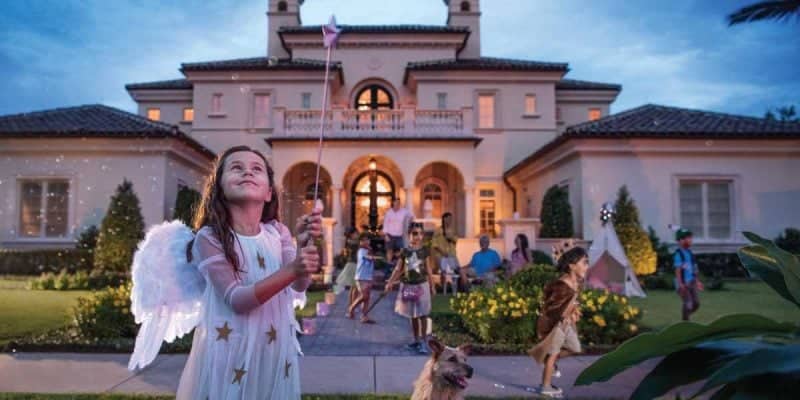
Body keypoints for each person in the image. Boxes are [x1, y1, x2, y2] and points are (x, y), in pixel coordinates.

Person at [177, 146, 321, 399]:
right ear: (219, 187)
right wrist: (292, 269)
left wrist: (304, 246)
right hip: (230, 352)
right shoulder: (210, 238)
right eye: (236, 167)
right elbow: (237, 300)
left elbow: (299, 285)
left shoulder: (278, 233)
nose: (247, 172)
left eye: (257, 169)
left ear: (268, 192)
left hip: (274, 353)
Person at [527, 246, 587, 398]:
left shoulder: (576, 282)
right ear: (572, 266)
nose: (587, 266)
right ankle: (546, 386)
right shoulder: (562, 285)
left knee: (575, 348)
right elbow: (551, 308)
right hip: (556, 326)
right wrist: (561, 317)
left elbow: (571, 302)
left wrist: (574, 310)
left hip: (566, 324)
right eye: (584, 262)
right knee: (553, 354)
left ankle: (549, 362)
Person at [385, 222, 434, 354]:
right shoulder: (405, 252)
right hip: (408, 285)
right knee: (412, 315)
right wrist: (390, 282)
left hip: (422, 285)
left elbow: (429, 270)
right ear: (409, 235)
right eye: (414, 233)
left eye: (420, 234)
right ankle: (416, 340)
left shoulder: (424, 251)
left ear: (423, 236)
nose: (417, 236)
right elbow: (397, 269)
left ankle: (424, 341)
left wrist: (432, 285)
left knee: (423, 314)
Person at [347, 233, 378, 324]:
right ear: (360, 242)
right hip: (361, 276)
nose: (366, 242)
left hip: (368, 276)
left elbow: (371, 261)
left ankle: (364, 316)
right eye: (364, 240)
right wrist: (372, 257)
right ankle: (351, 307)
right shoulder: (361, 250)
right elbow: (366, 257)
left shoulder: (369, 250)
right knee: (364, 295)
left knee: (367, 298)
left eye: (368, 240)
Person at [674, 228, 703, 321]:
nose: (690, 240)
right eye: (687, 238)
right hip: (683, 283)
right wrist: (680, 284)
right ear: (680, 241)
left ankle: (686, 317)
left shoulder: (690, 253)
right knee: (688, 303)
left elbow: (694, 269)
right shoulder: (678, 254)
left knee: (696, 303)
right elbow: (678, 271)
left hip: (692, 282)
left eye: (690, 238)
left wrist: (697, 281)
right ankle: (685, 322)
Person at [431, 212, 459, 290]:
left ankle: (457, 287)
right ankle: (443, 288)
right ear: (444, 219)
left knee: (457, 269)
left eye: (451, 219)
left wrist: (450, 238)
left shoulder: (453, 230)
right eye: (448, 218)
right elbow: (434, 244)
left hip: (452, 254)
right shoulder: (438, 230)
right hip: (441, 255)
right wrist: (442, 252)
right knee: (443, 271)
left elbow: (456, 240)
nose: (450, 220)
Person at [334, 227, 360, 311]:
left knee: (354, 288)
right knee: (355, 287)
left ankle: (352, 305)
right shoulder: (352, 243)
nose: (358, 234)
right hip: (353, 265)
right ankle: (352, 306)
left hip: (354, 264)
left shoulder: (352, 242)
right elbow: (359, 245)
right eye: (356, 233)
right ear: (351, 235)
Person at [382, 197, 414, 264]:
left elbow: (412, 216)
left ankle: (399, 264)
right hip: (390, 235)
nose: (397, 204)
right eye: (396, 202)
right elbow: (385, 224)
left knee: (402, 250)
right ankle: (389, 264)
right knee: (389, 250)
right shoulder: (388, 212)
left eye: (399, 203)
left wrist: (409, 225)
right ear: (393, 203)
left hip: (399, 235)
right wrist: (385, 235)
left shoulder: (404, 211)